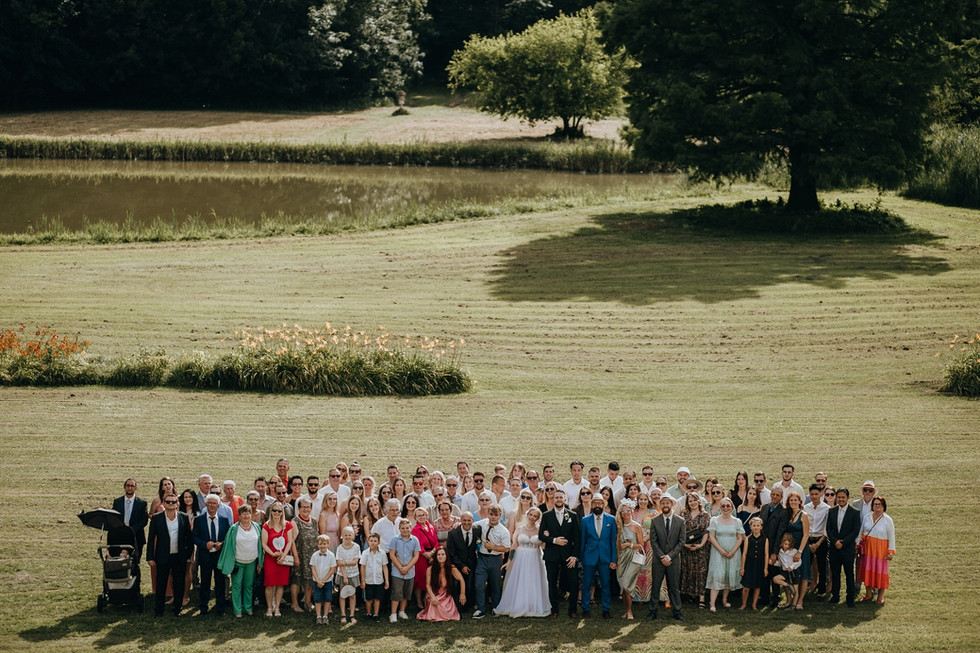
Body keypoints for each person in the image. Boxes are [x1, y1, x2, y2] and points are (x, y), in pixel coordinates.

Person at [495, 506, 550, 617]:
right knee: (520, 580)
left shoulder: (540, 530)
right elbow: (514, 545)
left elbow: (543, 546)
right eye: (531, 515)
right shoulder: (519, 529)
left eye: (535, 516)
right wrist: (509, 561)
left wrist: (546, 537)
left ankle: (532, 605)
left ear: (538, 518)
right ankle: (518, 604)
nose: (532, 518)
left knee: (533, 580)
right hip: (520, 558)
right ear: (527, 515)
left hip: (535, 557)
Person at [146, 493, 194, 617]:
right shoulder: (157, 518)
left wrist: (187, 554)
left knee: (179, 584)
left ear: (177, 504)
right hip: (163, 556)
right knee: (161, 584)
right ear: (164, 503)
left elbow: (189, 538)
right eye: (168, 502)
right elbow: (151, 538)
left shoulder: (183, 517)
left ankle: (177, 608)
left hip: (179, 556)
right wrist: (150, 557)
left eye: (173, 502)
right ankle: (159, 610)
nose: (171, 504)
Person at [538, 488, 580, 618]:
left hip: (568, 555)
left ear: (565, 499)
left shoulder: (572, 515)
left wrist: (574, 556)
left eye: (561, 497)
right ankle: (554, 610)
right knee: (552, 583)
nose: (559, 500)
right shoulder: (546, 515)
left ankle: (572, 610)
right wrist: (554, 540)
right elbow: (541, 535)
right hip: (552, 554)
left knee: (573, 582)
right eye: (556, 497)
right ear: (553, 499)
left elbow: (577, 538)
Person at [218, 504, 264, 618]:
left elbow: (260, 545)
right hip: (238, 562)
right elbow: (228, 546)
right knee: (237, 586)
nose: (246, 515)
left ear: (251, 514)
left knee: (248, 585)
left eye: (248, 513)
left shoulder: (256, 527)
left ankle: (248, 608)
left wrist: (260, 562)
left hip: (252, 561)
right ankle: (237, 610)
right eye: (243, 513)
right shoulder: (234, 529)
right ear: (239, 515)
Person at [648, 494, 685, 621]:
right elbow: (653, 541)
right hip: (658, 560)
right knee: (656, 586)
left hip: (673, 560)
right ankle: (653, 611)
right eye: (662, 503)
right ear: (660, 505)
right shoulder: (655, 520)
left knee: (674, 587)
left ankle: (677, 611)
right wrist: (662, 556)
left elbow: (681, 542)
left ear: (672, 504)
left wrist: (669, 556)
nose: (665, 505)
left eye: (667, 503)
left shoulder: (680, 521)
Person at [192, 494, 231, 615]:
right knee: (205, 582)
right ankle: (203, 608)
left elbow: (228, 537)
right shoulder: (199, 519)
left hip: (219, 556)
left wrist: (222, 544)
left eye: (214, 503)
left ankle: (220, 608)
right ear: (205, 504)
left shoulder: (224, 520)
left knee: (220, 582)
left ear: (218, 505)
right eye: (209, 503)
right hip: (205, 555)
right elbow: (194, 537)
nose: (212, 505)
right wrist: (204, 544)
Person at [580, 495, 617, 618]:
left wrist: (613, 559)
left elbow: (613, 541)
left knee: (606, 584)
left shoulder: (611, 520)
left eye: (599, 503)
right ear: (591, 505)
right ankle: (586, 608)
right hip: (589, 557)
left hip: (605, 557)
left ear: (603, 505)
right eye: (594, 503)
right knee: (586, 584)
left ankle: (606, 609)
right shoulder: (585, 520)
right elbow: (583, 540)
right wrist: (581, 558)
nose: (597, 505)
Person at [706, 497, 744, 612]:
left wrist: (733, 551)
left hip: (733, 552)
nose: (726, 508)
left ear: (732, 507)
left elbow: (740, 538)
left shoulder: (737, 521)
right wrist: (721, 550)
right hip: (718, 552)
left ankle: (724, 599)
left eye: (728, 505)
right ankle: (712, 603)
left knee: (728, 574)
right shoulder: (714, 520)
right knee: (717, 575)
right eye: (723, 506)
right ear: (720, 507)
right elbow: (711, 536)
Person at [472, 504, 510, 618]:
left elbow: (507, 548)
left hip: (495, 558)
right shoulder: (482, 523)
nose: (493, 517)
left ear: (500, 516)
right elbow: (470, 525)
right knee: (479, 583)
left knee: (495, 584)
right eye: (491, 514)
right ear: (488, 514)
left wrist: (493, 547)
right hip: (482, 557)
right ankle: (480, 608)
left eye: (496, 515)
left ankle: (495, 607)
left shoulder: (503, 531)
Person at [826, 487, 861, 606]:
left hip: (847, 548)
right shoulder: (831, 511)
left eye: (843, 497)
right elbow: (828, 529)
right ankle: (835, 595)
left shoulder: (855, 512)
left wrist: (843, 542)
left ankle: (850, 597)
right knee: (835, 574)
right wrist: (835, 541)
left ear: (848, 498)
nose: (841, 499)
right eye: (839, 497)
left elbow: (855, 530)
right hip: (834, 548)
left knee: (849, 574)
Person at [858, 495, 895, 605]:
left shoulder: (888, 520)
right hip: (868, 550)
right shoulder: (867, 516)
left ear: (883, 506)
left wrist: (890, 552)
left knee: (880, 572)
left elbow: (891, 536)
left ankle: (880, 596)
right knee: (868, 572)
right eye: (875, 504)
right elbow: (861, 531)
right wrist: (858, 544)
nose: (877, 506)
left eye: (879, 504)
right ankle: (868, 594)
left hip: (880, 550)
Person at [261, 501, 295, 617]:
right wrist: (272, 554)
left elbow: (290, 541)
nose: (276, 513)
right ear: (271, 512)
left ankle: (277, 608)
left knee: (280, 584)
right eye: (274, 510)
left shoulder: (288, 525)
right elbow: (264, 543)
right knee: (269, 585)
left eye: (279, 511)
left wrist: (283, 555)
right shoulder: (266, 525)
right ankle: (269, 607)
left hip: (283, 558)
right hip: (270, 559)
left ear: (282, 513)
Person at [417, 546, 466, 621]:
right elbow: (428, 585)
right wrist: (433, 597)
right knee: (433, 604)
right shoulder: (430, 569)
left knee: (448, 612)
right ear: (435, 557)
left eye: (443, 554)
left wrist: (462, 594)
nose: (440, 557)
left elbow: (461, 580)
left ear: (446, 556)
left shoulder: (451, 568)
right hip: (433, 594)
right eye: (438, 555)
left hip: (446, 595)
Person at [614, 501, 645, 620]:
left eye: (628, 511)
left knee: (628, 584)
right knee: (622, 584)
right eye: (623, 511)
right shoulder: (618, 526)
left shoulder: (636, 526)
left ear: (632, 511)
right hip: (621, 558)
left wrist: (629, 545)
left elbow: (641, 546)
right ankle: (625, 611)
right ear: (620, 513)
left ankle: (629, 611)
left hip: (633, 557)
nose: (626, 513)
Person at [680, 491, 710, 609]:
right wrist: (685, 545)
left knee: (700, 571)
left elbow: (707, 531)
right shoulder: (684, 515)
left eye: (694, 500)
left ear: (699, 501)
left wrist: (701, 544)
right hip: (686, 547)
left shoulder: (705, 515)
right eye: (690, 501)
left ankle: (701, 597)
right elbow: (680, 531)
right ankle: (690, 595)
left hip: (701, 547)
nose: (692, 503)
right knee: (688, 570)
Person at [446, 511, 481, 613]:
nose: (466, 522)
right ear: (460, 520)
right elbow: (451, 552)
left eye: (469, 520)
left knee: (471, 585)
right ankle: (459, 606)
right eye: (464, 520)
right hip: (457, 565)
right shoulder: (453, 533)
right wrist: (461, 566)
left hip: (472, 563)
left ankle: (470, 603)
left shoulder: (477, 530)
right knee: (457, 585)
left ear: (473, 521)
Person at [389, 517, 421, 622]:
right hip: (397, 571)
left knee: (406, 593)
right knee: (397, 592)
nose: (405, 530)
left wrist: (407, 567)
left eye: (407, 528)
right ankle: (393, 613)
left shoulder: (415, 540)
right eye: (403, 528)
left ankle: (402, 611)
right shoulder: (395, 539)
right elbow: (392, 555)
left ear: (411, 528)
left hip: (410, 571)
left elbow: (416, 555)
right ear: (399, 529)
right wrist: (400, 567)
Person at [289, 496, 317, 613]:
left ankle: (307, 602)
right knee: (296, 580)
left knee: (309, 580)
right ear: (299, 508)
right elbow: (292, 541)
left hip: (311, 556)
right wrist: (296, 557)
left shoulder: (314, 521)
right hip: (300, 555)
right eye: (303, 507)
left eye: (308, 507)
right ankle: (294, 604)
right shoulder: (294, 522)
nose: (305, 509)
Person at [762, 485, 788, 608]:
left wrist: (775, 552)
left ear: (781, 497)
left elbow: (780, 533)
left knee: (774, 573)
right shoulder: (764, 508)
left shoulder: (783, 512)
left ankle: (775, 599)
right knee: (764, 573)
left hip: (774, 547)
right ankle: (765, 597)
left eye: (778, 495)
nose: (774, 497)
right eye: (773, 494)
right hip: (763, 546)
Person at [113, 478, 148, 567]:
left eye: (132, 486)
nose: (130, 488)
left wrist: (131, 530)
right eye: (128, 485)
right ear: (124, 487)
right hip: (120, 536)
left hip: (136, 537)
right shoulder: (117, 502)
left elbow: (144, 520)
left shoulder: (142, 503)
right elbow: (114, 518)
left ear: (135, 488)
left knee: (135, 563)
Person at [785, 491, 811, 609]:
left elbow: (806, 535)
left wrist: (799, 552)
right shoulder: (788, 515)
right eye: (791, 500)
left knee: (803, 574)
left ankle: (800, 601)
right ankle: (790, 600)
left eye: (795, 500)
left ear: (800, 502)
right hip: (790, 548)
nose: (793, 502)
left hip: (801, 548)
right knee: (791, 574)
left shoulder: (803, 515)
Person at [804, 483, 830, 595]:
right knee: (805, 565)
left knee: (822, 566)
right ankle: (804, 588)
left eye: (816, 494)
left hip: (821, 539)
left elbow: (826, 528)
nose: (814, 496)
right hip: (808, 540)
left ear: (821, 494)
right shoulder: (805, 508)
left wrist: (818, 544)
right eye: (812, 494)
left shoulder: (827, 509)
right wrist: (808, 543)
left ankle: (821, 590)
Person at [412, 507, 439, 610]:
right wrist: (426, 554)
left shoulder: (431, 526)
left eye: (423, 515)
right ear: (415, 517)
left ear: (426, 515)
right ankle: (418, 602)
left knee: (431, 579)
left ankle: (427, 599)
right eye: (419, 515)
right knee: (420, 579)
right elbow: (417, 544)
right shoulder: (415, 529)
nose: (421, 517)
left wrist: (432, 553)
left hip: (432, 555)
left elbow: (436, 541)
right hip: (421, 557)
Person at [739, 516, 768, 610]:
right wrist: (742, 567)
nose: (756, 527)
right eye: (754, 525)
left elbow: (766, 554)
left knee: (757, 586)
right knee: (746, 587)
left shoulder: (765, 539)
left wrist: (765, 568)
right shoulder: (748, 539)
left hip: (759, 565)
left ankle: (754, 605)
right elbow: (744, 554)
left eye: (758, 525)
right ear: (751, 527)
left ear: (761, 527)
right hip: (749, 565)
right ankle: (744, 604)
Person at [359, 533, 389, 621]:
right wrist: (363, 580)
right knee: (368, 598)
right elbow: (362, 567)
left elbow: (384, 566)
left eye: (375, 541)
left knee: (377, 598)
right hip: (369, 580)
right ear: (368, 541)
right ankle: (368, 613)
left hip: (379, 580)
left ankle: (376, 614)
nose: (373, 543)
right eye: (371, 541)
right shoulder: (365, 553)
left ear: (378, 542)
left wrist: (386, 580)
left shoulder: (382, 553)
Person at [336, 526, 361, 624]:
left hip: (353, 574)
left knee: (352, 595)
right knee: (342, 595)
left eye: (350, 535)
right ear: (342, 536)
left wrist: (345, 563)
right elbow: (339, 563)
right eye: (345, 535)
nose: (347, 537)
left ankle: (352, 615)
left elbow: (355, 561)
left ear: (353, 536)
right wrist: (345, 577)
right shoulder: (340, 548)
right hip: (342, 574)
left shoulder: (356, 547)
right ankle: (343, 615)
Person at [310, 534, 336, 625]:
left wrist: (324, 580)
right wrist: (317, 580)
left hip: (327, 581)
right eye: (320, 544)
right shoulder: (315, 555)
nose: (322, 545)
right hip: (317, 581)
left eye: (324, 544)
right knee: (317, 598)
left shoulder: (331, 555)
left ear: (328, 544)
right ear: (317, 544)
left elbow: (332, 569)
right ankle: (318, 616)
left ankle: (325, 616)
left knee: (328, 598)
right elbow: (313, 568)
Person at [772, 533, 802, 608]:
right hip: (784, 571)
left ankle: (794, 604)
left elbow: (799, 562)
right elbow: (780, 563)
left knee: (795, 590)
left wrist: (791, 567)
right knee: (775, 579)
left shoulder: (794, 551)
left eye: (789, 545)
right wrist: (773, 563)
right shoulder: (779, 552)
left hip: (794, 571)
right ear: (782, 543)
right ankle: (788, 586)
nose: (787, 546)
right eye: (785, 544)